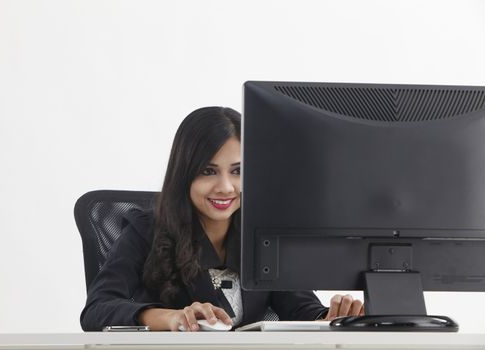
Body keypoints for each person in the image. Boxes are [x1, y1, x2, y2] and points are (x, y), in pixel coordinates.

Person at [80, 106, 363, 331]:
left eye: (238, 171)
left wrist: (331, 317)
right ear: (185, 174)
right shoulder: (146, 230)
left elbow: (300, 309)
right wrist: (172, 318)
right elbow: (97, 309)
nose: (226, 187)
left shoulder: (263, 236)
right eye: (208, 171)